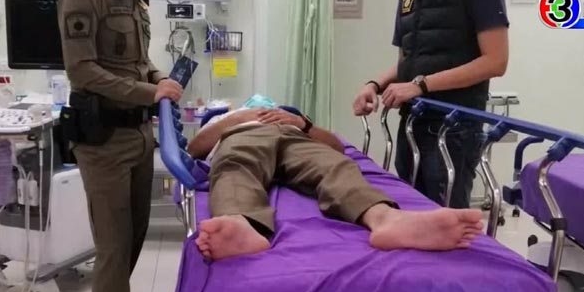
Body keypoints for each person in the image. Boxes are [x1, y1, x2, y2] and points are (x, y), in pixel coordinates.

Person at [58, 0, 182, 292]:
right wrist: (148, 93)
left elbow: (137, 62)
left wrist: (159, 79)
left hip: (139, 136)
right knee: (113, 251)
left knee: (130, 243)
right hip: (105, 141)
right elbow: (82, 71)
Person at [187, 107, 484, 261]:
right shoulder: (231, 119)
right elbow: (196, 148)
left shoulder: (294, 119)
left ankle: (385, 218)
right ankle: (241, 223)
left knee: (335, 166)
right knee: (236, 165)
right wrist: (239, 118)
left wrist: (302, 124)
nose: (263, 105)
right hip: (243, 136)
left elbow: (338, 148)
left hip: (294, 137)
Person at [353, 0, 509, 209]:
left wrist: (421, 85)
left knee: (445, 215)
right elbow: (408, 62)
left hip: (453, 127)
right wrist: (375, 85)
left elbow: (496, 61)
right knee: (410, 210)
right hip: (412, 122)